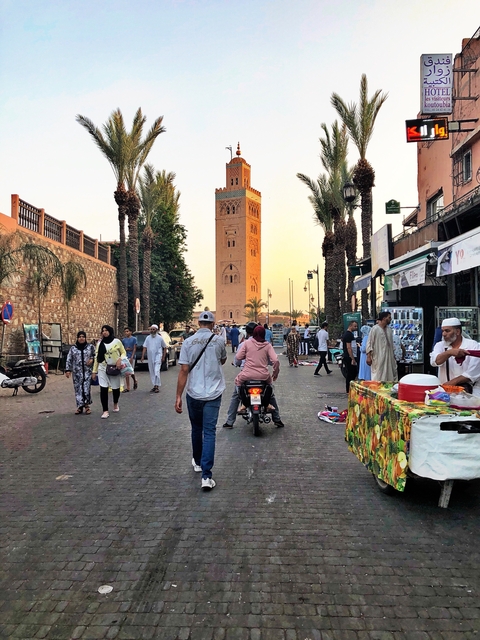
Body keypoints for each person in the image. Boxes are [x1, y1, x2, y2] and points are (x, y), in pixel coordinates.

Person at [175, 310, 227, 491]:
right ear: (212, 324)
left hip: (193, 393)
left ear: (198, 324)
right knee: (209, 432)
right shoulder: (219, 341)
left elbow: (183, 370)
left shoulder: (188, 342)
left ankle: (197, 462)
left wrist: (178, 396)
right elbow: (223, 360)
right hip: (213, 393)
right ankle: (206, 475)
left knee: (196, 429)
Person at [223, 322, 284, 429]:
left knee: (236, 393)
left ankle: (230, 420)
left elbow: (238, 358)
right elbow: (275, 360)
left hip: (246, 375)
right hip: (263, 376)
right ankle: (277, 418)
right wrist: (275, 373)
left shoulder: (246, 344)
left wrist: (238, 362)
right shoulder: (267, 345)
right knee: (270, 393)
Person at [430, 317, 480, 392]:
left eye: (447, 331)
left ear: (457, 331)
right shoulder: (440, 345)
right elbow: (434, 361)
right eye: (443, 331)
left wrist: (450, 383)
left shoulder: (473, 345)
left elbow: (472, 373)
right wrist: (449, 352)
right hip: (446, 392)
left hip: (469, 392)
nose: (444, 334)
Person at [92, 325, 127, 419]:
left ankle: (115, 403)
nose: (104, 332)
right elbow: (97, 358)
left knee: (116, 388)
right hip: (103, 368)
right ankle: (105, 410)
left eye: (106, 330)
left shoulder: (117, 342)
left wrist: (120, 359)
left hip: (114, 368)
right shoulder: (100, 344)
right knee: (103, 389)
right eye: (103, 331)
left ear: (110, 331)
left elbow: (123, 352)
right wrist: (94, 371)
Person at [65, 330, 95, 414]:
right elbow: (69, 359)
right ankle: (79, 407)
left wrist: (92, 359)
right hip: (77, 373)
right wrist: (68, 370)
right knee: (78, 390)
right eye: (80, 337)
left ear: (85, 338)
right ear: (77, 338)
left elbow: (95, 355)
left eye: (83, 337)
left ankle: (87, 406)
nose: (81, 338)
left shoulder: (90, 347)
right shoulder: (73, 348)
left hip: (87, 372)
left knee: (86, 389)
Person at [366, 312, 398, 382]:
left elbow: (391, 344)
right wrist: (368, 356)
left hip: (389, 358)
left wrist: (394, 356)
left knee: (390, 376)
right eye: (389, 317)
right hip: (378, 357)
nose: (390, 319)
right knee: (378, 376)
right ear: (384, 318)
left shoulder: (389, 330)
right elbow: (369, 343)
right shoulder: (375, 329)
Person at [141, 324, 167, 393]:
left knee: (156, 371)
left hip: (158, 356)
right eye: (151, 329)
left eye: (153, 329)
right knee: (152, 371)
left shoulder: (160, 338)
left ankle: (157, 386)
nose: (152, 331)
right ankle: (154, 385)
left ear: (156, 330)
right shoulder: (148, 338)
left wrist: (163, 356)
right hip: (150, 357)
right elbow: (144, 347)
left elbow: (165, 347)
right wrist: (143, 356)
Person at [342, 320, 359, 393]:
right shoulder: (348, 335)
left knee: (352, 373)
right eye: (354, 326)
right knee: (351, 373)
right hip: (349, 357)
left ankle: (350, 389)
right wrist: (352, 358)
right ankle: (349, 389)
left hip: (350, 356)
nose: (356, 328)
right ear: (350, 326)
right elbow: (349, 347)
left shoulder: (349, 334)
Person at [122, 327, 138, 392]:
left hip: (131, 356)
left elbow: (134, 348)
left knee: (131, 371)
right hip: (125, 356)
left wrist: (132, 356)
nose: (126, 333)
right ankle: (128, 387)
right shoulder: (123, 340)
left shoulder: (134, 339)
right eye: (125, 331)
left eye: (127, 331)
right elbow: (122, 348)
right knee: (126, 372)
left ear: (131, 332)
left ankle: (135, 380)